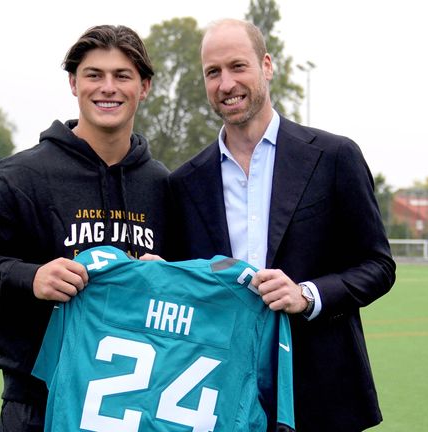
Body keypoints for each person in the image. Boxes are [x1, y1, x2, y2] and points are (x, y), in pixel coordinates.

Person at [168, 19, 396, 431]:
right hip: (220, 393)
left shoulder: (334, 156)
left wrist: (307, 295)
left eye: (238, 66)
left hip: (322, 392)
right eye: (213, 72)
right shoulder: (184, 182)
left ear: (267, 66)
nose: (226, 84)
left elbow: (378, 266)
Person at [0, 24, 173, 432]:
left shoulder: (161, 184)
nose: (108, 88)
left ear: (144, 87)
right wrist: (32, 277)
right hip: (38, 402)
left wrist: (166, 274)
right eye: (94, 75)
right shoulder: (21, 174)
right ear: (73, 83)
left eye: (122, 76)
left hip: (137, 400)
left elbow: (181, 282)